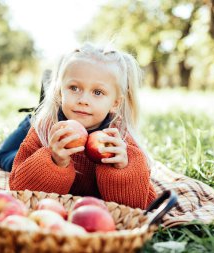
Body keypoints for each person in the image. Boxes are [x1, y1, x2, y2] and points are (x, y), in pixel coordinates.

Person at [9, 43, 157, 209]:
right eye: (74, 88)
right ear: (59, 91)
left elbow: (142, 205)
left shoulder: (119, 140)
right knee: (4, 157)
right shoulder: (44, 131)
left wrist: (121, 169)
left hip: (95, 220)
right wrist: (54, 161)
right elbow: (18, 192)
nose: (83, 100)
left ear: (115, 103)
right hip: (53, 216)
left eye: (97, 92)